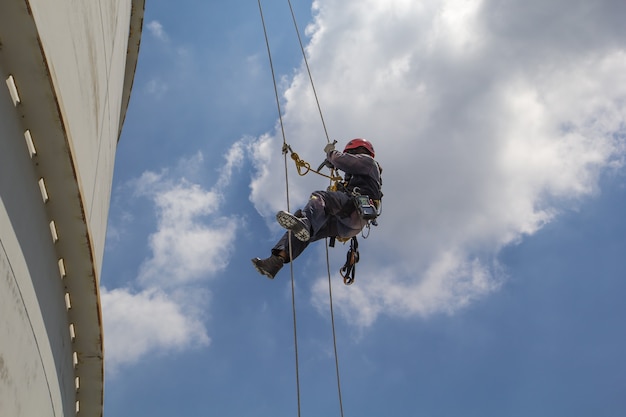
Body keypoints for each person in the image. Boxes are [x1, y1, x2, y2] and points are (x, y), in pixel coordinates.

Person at [252, 138, 383, 279]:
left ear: (355, 150)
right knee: (303, 227)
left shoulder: (368, 162)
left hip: (353, 209)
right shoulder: (361, 176)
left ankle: (305, 224)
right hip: (348, 225)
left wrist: (331, 153)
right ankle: (276, 260)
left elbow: (342, 160)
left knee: (320, 197)